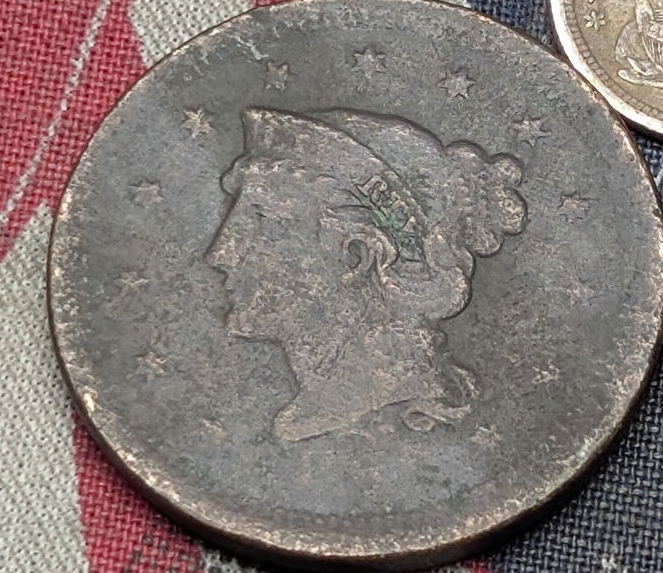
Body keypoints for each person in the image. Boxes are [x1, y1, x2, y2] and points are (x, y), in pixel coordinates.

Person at [207, 107, 526, 441]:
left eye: (263, 222)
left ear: (357, 256)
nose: (220, 254)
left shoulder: (388, 420)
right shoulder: (316, 414)